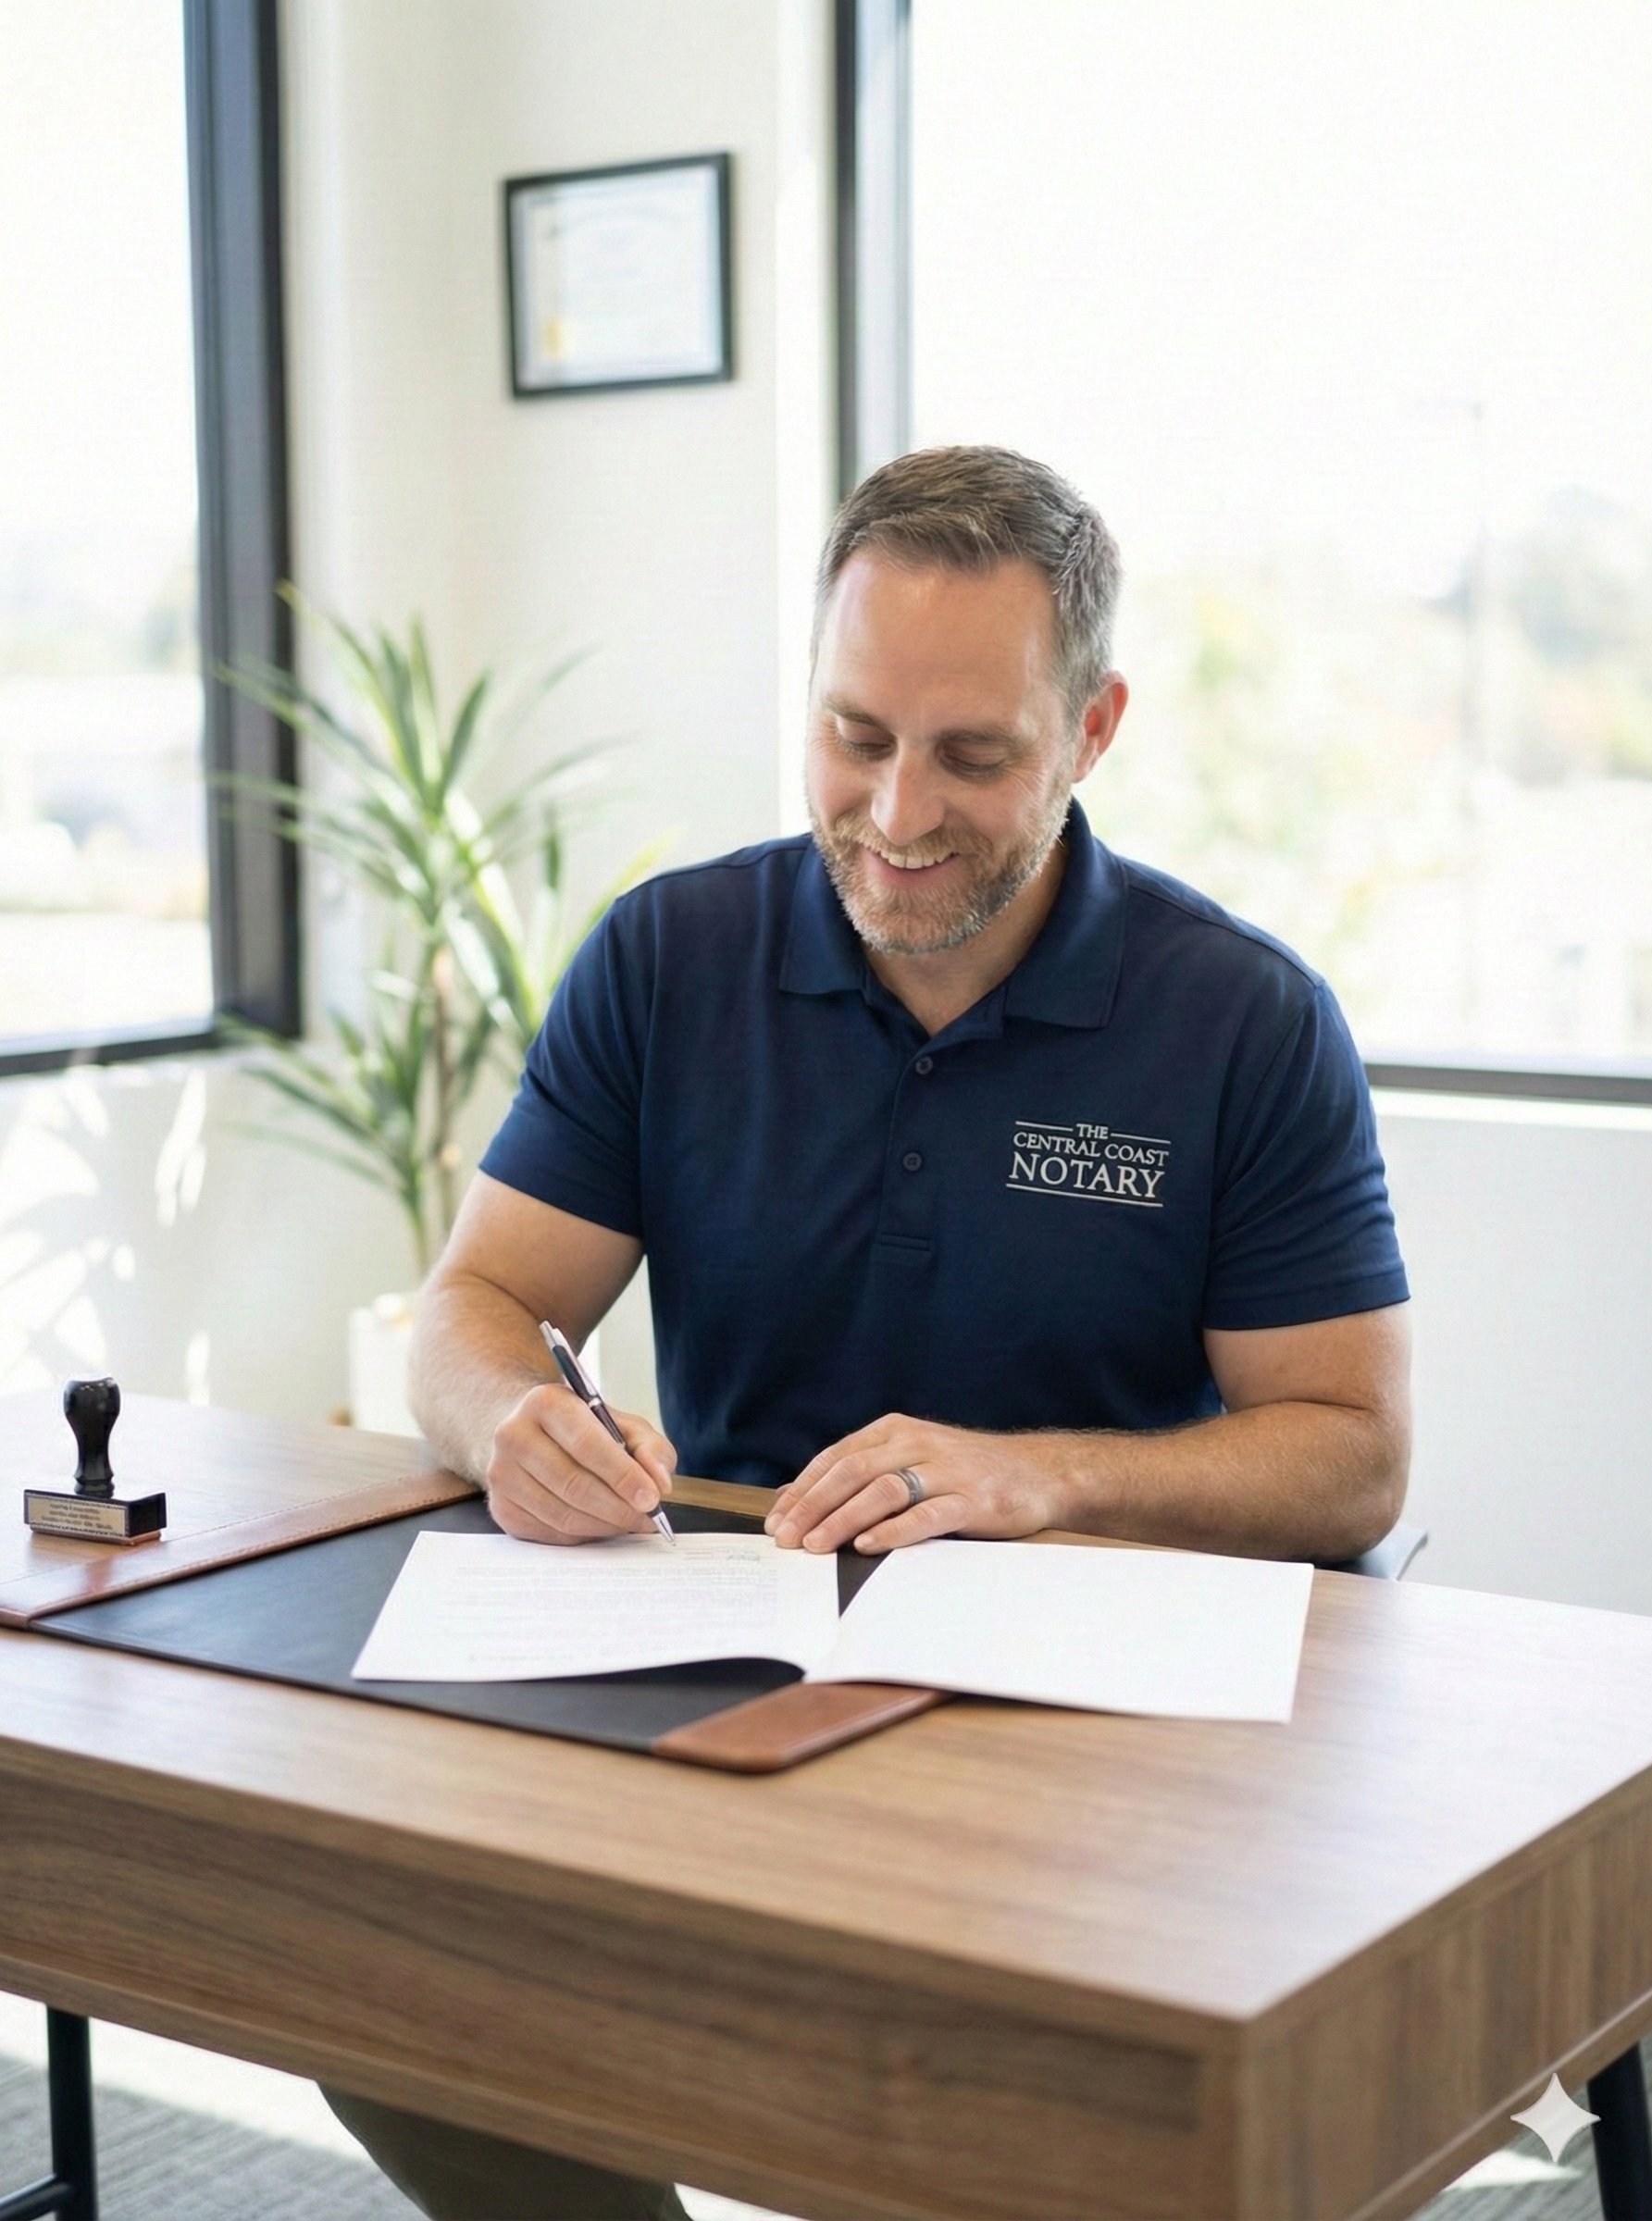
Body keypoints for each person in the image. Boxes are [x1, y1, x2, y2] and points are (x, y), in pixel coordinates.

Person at [326, 445, 1411, 2219]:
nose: (899, 812)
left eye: (974, 754)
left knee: (983, 2107)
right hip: (723, 1671)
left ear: (1094, 727)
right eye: (854, 735)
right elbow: (478, 1305)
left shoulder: (1245, 1023)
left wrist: (1036, 1484)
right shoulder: (667, 960)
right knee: (368, 1958)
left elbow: (1353, 1450)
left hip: (1081, 1726)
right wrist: (505, 1416)